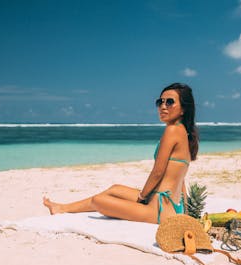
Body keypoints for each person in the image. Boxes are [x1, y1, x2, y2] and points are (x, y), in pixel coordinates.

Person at [43, 83, 199, 224]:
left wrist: (142, 197)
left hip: (158, 210)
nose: (163, 106)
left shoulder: (172, 130)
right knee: (115, 189)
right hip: (171, 205)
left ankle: (62, 209)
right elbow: (181, 178)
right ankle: (62, 208)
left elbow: (157, 172)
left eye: (170, 102)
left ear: (183, 109)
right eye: (160, 102)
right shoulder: (183, 133)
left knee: (99, 200)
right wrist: (186, 210)